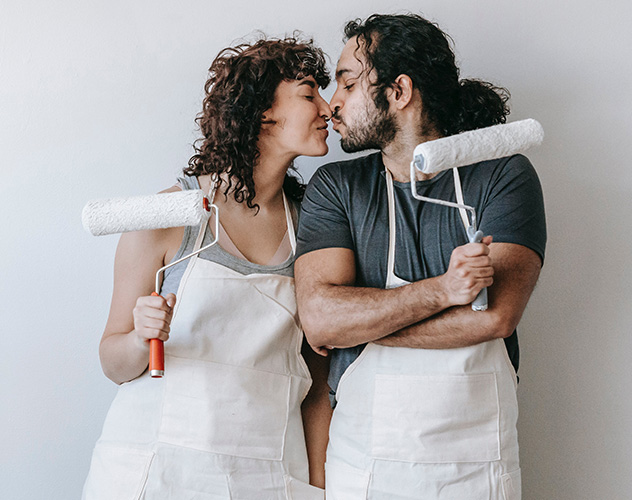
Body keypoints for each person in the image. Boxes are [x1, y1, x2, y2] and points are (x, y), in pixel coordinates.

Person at [293, 14, 545, 499]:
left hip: (477, 470)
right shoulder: (337, 188)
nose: (334, 102)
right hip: (363, 466)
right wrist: (442, 291)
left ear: (399, 91)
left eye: (347, 81)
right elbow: (321, 320)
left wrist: (366, 324)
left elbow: (496, 318)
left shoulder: (504, 176)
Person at [83, 35, 334, 500]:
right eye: (308, 94)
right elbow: (112, 362)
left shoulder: (316, 229)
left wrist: (320, 489)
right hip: (157, 474)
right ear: (262, 112)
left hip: (270, 475)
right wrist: (141, 337)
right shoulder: (167, 216)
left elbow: (318, 386)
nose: (328, 108)